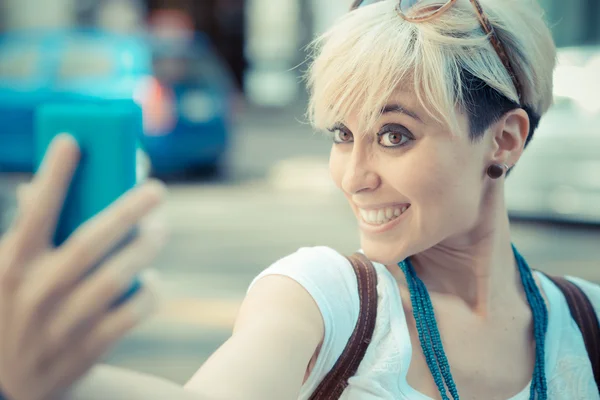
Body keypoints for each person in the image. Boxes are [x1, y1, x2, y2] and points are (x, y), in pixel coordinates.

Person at [1, 0, 599, 399]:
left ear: (505, 138)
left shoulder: (587, 324)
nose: (353, 175)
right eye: (343, 135)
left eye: (395, 135)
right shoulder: (324, 296)